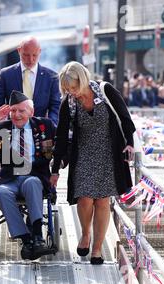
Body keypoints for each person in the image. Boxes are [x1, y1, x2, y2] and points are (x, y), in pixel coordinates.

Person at [51, 61, 136, 265]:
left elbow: (125, 118)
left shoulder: (105, 91)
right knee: (85, 198)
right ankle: (85, 233)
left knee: (103, 201)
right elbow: (61, 137)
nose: (72, 92)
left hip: (109, 154)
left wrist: (130, 144)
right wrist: (55, 170)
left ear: (83, 80)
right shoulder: (69, 103)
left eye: (74, 88)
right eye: (68, 89)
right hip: (83, 155)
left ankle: (97, 248)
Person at [0, 90, 56, 260]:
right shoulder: (2, 127)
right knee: (1, 192)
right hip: (9, 176)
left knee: (32, 182)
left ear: (31, 112)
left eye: (21, 111)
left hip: (35, 175)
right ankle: (27, 241)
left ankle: (38, 236)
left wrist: (57, 167)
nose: (16, 115)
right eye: (13, 110)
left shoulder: (45, 125)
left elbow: (63, 146)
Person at [0, 36, 61, 127]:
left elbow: (55, 106)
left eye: (34, 55)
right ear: (19, 50)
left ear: (40, 52)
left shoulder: (51, 77)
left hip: (41, 131)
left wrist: (51, 126)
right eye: (26, 55)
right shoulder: (6, 74)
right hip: (13, 130)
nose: (31, 59)